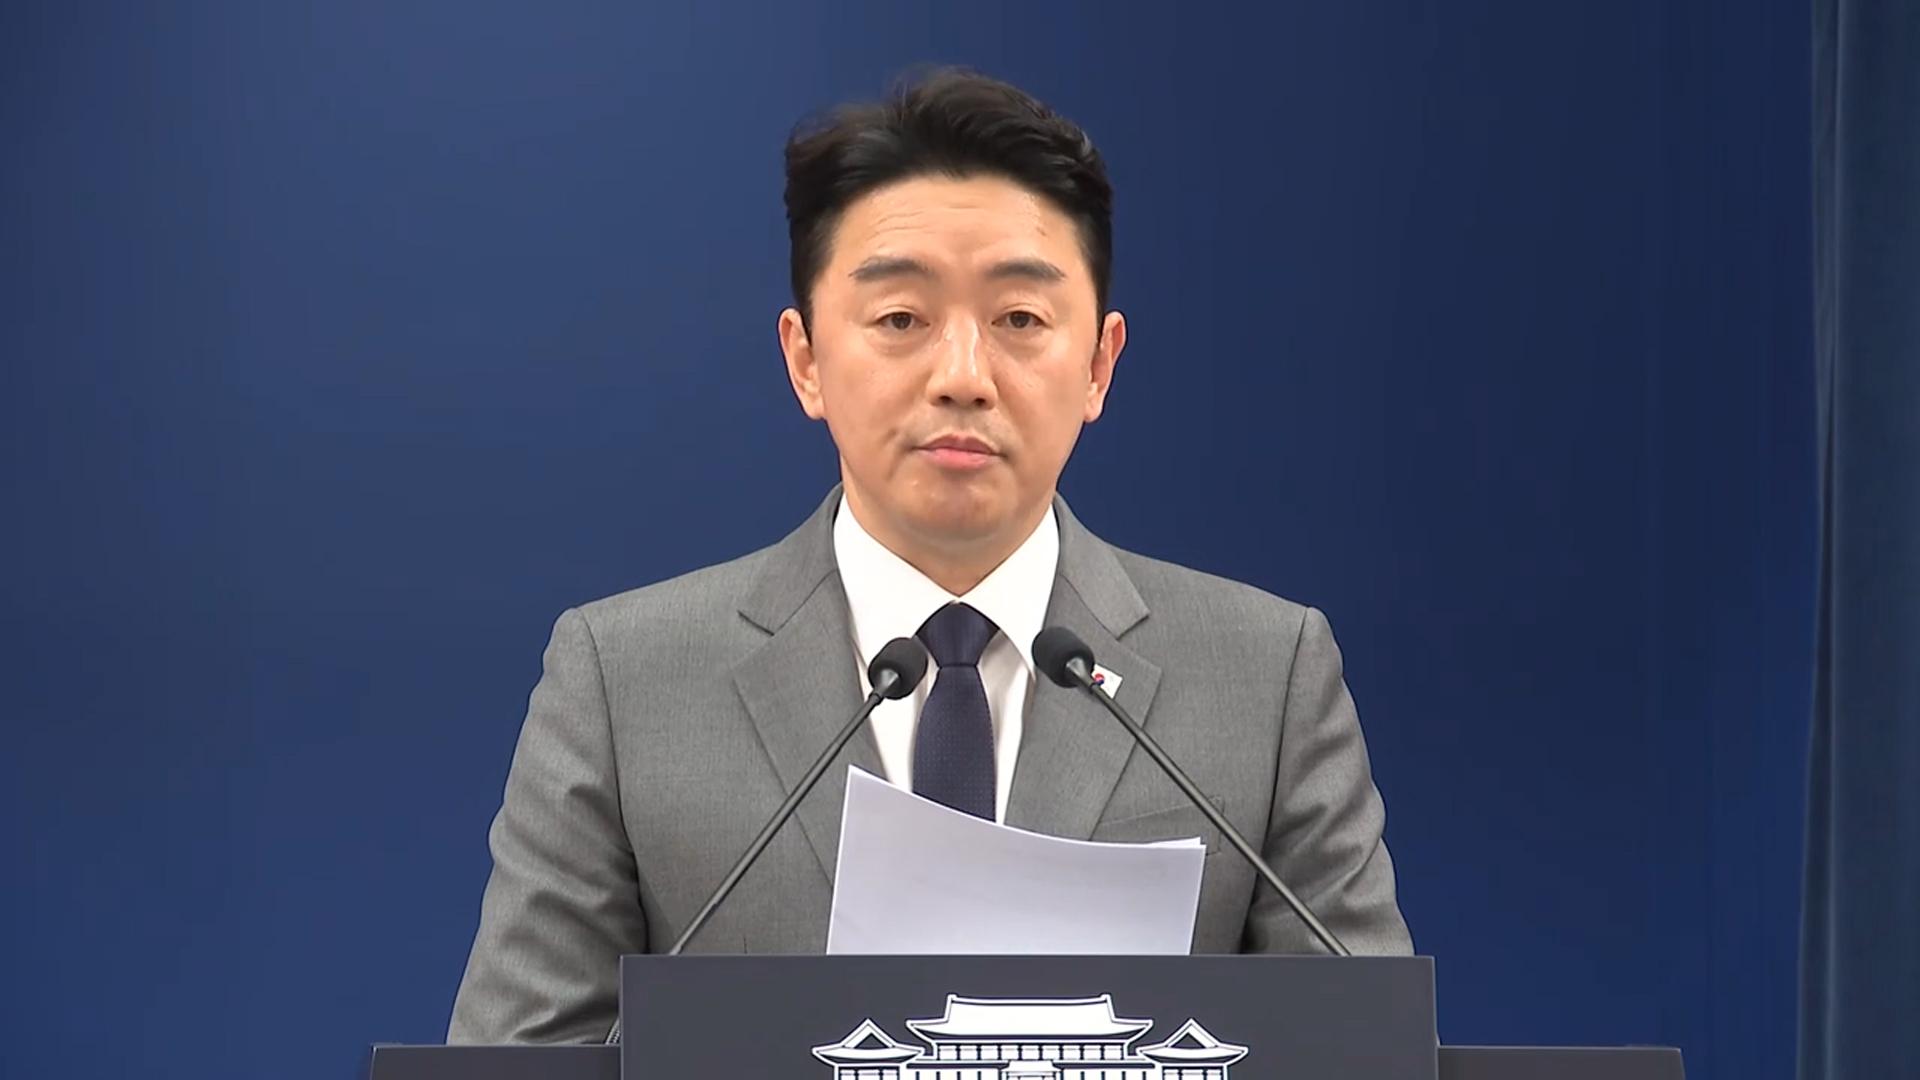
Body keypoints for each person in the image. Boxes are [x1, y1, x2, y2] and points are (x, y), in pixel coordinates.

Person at [448, 68, 1411, 1045]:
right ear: (806, 359)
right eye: (901, 319)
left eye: (1020, 320)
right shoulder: (625, 683)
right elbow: (520, 1057)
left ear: (1099, 364)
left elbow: (1367, 1053)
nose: (962, 376)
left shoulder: (1266, 677)